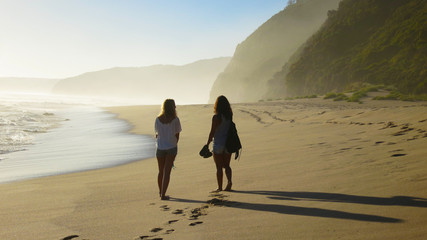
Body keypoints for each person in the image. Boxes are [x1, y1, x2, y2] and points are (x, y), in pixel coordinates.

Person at [155, 99, 182, 200]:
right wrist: (174, 144)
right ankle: (163, 194)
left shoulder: (158, 119)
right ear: (172, 107)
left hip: (160, 147)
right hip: (171, 147)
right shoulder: (175, 119)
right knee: (167, 172)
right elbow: (177, 135)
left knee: (160, 171)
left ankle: (160, 192)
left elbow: (157, 134)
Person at [206, 95, 233, 192]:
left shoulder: (216, 117)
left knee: (218, 167)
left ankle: (220, 187)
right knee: (227, 165)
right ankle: (229, 181)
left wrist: (207, 143)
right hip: (228, 143)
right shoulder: (229, 115)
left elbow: (212, 132)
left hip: (218, 144)